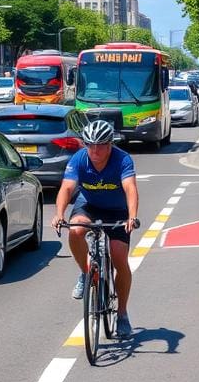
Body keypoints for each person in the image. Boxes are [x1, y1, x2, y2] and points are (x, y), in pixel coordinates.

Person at [51, 120, 140, 338]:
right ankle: (85, 272)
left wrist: (132, 216)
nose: (95, 150)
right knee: (75, 231)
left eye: (101, 145)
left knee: (120, 258)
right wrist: (59, 214)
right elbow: (67, 188)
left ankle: (122, 314)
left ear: (111, 144)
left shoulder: (122, 160)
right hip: (89, 205)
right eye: (90, 145)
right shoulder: (79, 159)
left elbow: (130, 188)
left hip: (117, 210)